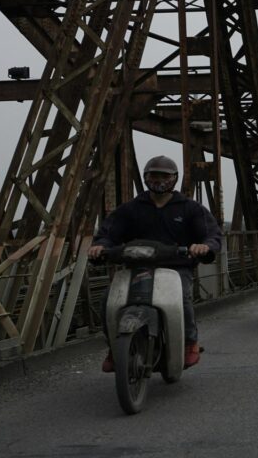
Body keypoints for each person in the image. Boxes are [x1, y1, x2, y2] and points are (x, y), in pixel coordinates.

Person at [88, 155, 222, 372]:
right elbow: (108, 234)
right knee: (108, 301)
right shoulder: (131, 208)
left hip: (176, 266)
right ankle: (115, 347)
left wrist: (204, 246)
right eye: (154, 175)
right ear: (146, 177)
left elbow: (212, 235)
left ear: (174, 178)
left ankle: (190, 342)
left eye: (164, 175)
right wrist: (100, 246)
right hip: (136, 265)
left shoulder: (190, 208)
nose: (159, 179)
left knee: (182, 298)